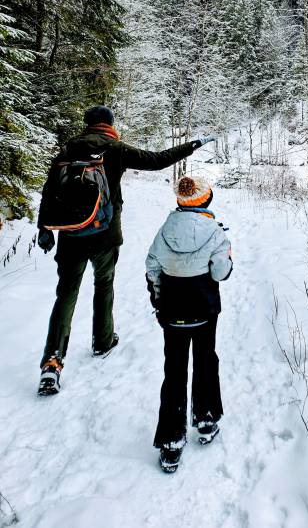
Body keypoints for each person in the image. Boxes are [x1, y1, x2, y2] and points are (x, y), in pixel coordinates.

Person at [36, 105, 214, 395]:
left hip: (70, 235)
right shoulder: (115, 149)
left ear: (87, 124)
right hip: (105, 234)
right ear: (109, 124)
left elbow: (49, 189)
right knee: (103, 284)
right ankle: (103, 340)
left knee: (66, 293)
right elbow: (157, 161)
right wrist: (192, 145)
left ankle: (52, 362)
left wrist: (44, 228)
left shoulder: (68, 150)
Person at [145, 174, 232, 473]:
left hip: (172, 312)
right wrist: (227, 258)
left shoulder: (165, 229)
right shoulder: (215, 232)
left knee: (174, 371)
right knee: (206, 361)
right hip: (205, 310)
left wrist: (158, 298)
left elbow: (152, 266)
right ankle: (206, 421)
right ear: (205, 199)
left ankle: (171, 443)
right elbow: (220, 273)